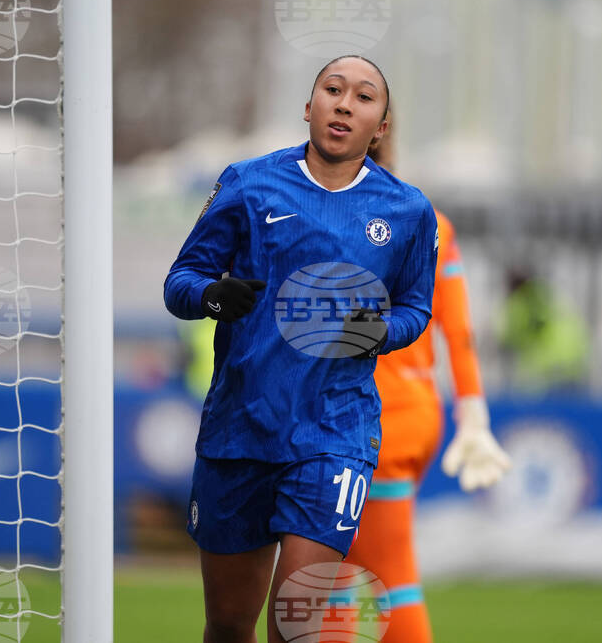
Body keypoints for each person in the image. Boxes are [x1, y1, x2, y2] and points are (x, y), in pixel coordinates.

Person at [163, 56, 438, 643]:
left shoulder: (408, 210)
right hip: (240, 430)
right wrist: (212, 296)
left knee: (295, 623)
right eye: (332, 89)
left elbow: (416, 308)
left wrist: (380, 331)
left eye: (363, 97)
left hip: (335, 433)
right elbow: (180, 282)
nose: (344, 104)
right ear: (308, 106)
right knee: (229, 624)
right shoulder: (248, 183)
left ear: (382, 126)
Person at [339, 111, 511, 642]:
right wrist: (473, 415)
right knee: (347, 572)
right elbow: (458, 331)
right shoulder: (432, 221)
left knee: (358, 575)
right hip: (413, 414)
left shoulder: (323, 216)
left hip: (357, 419)